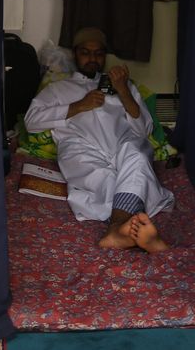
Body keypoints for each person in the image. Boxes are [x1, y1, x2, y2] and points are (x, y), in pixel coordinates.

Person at [24, 27, 173, 252]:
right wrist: (78, 106)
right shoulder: (58, 89)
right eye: (85, 52)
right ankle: (132, 227)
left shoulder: (124, 86)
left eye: (98, 53)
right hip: (80, 147)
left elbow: (144, 129)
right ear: (75, 54)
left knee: (138, 155)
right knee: (103, 177)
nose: (92, 58)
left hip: (123, 144)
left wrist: (123, 91)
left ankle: (117, 230)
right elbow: (31, 121)